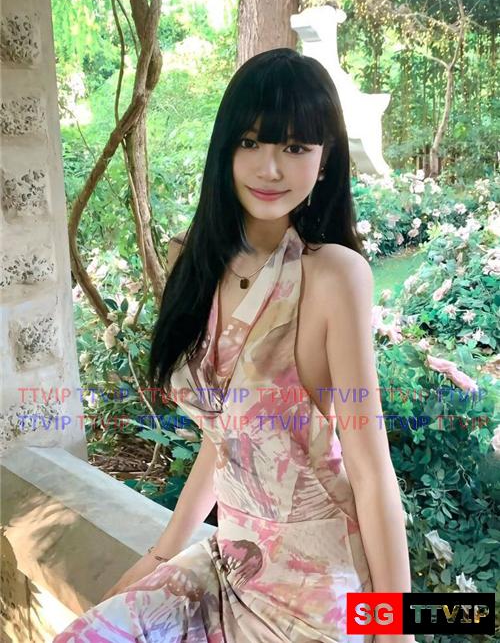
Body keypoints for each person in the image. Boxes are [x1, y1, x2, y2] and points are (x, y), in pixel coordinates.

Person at [54, 48, 414, 643]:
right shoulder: (192, 262)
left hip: (316, 588)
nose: (270, 168)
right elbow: (223, 440)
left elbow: (371, 470)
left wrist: (395, 627)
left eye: (294, 147)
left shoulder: (333, 277)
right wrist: (162, 555)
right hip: (228, 564)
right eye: (251, 142)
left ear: (324, 159)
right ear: (225, 148)